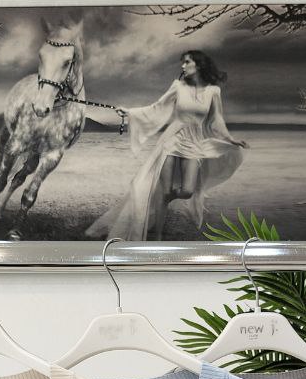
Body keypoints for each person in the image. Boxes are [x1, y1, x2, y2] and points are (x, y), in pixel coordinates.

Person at [85, 51, 248, 241]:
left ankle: (164, 199)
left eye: (187, 62)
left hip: (194, 142)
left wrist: (230, 139)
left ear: (199, 65)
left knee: (187, 191)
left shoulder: (213, 91)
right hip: (172, 139)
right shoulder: (178, 86)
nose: (183, 66)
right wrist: (130, 112)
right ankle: (158, 235)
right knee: (164, 189)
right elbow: (157, 107)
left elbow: (216, 120)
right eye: (182, 63)